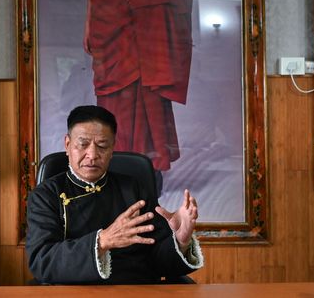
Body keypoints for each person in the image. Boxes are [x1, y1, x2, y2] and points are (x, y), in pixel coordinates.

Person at [84, 0, 194, 193]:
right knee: (111, 108)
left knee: (145, 108)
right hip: (109, 34)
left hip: (139, 36)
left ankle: (148, 182)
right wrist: (88, 24)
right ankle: (113, 179)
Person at [26, 105, 203, 284]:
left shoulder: (134, 189)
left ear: (112, 149)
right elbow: (42, 261)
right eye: (83, 144)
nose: (92, 155)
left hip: (136, 290)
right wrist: (102, 241)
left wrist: (180, 241)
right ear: (67, 145)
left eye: (102, 146)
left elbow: (158, 260)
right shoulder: (45, 195)